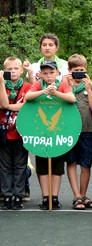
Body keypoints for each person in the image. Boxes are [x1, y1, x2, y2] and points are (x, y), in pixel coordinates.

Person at [24, 60, 76, 210]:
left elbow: (72, 99)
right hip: (41, 132)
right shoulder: (39, 84)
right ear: (41, 74)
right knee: (42, 166)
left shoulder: (62, 84)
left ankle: (55, 197)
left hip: (59, 131)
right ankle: (46, 197)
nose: (49, 76)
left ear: (57, 73)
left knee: (57, 166)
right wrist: (43, 92)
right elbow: (28, 97)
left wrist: (56, 93)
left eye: (51, 72)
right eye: (45, 73)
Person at [64, 54, 92, 210]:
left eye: (82, 70)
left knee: (86, 164)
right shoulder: (64, 86)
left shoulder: (91, 87)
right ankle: (76, 195)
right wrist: (68, 84)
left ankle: (83, 195)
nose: (79, 73)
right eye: (75, 70)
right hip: (70, 130)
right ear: (69, 71)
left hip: (87, 129)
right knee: (71, 162)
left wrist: (88, 89)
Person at [0, 57, 32, 210]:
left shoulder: (26, 86)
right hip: (4, 132)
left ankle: (18, 194)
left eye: (15, 69)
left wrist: (12, 107)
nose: (12, 72)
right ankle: (7, 194)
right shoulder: (1, 85)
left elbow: (28, 105)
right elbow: (2, 103)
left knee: (20, 165)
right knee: (5, 166)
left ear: (21, 70)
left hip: (21, 132)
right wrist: (1, 82)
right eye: (9, 69)